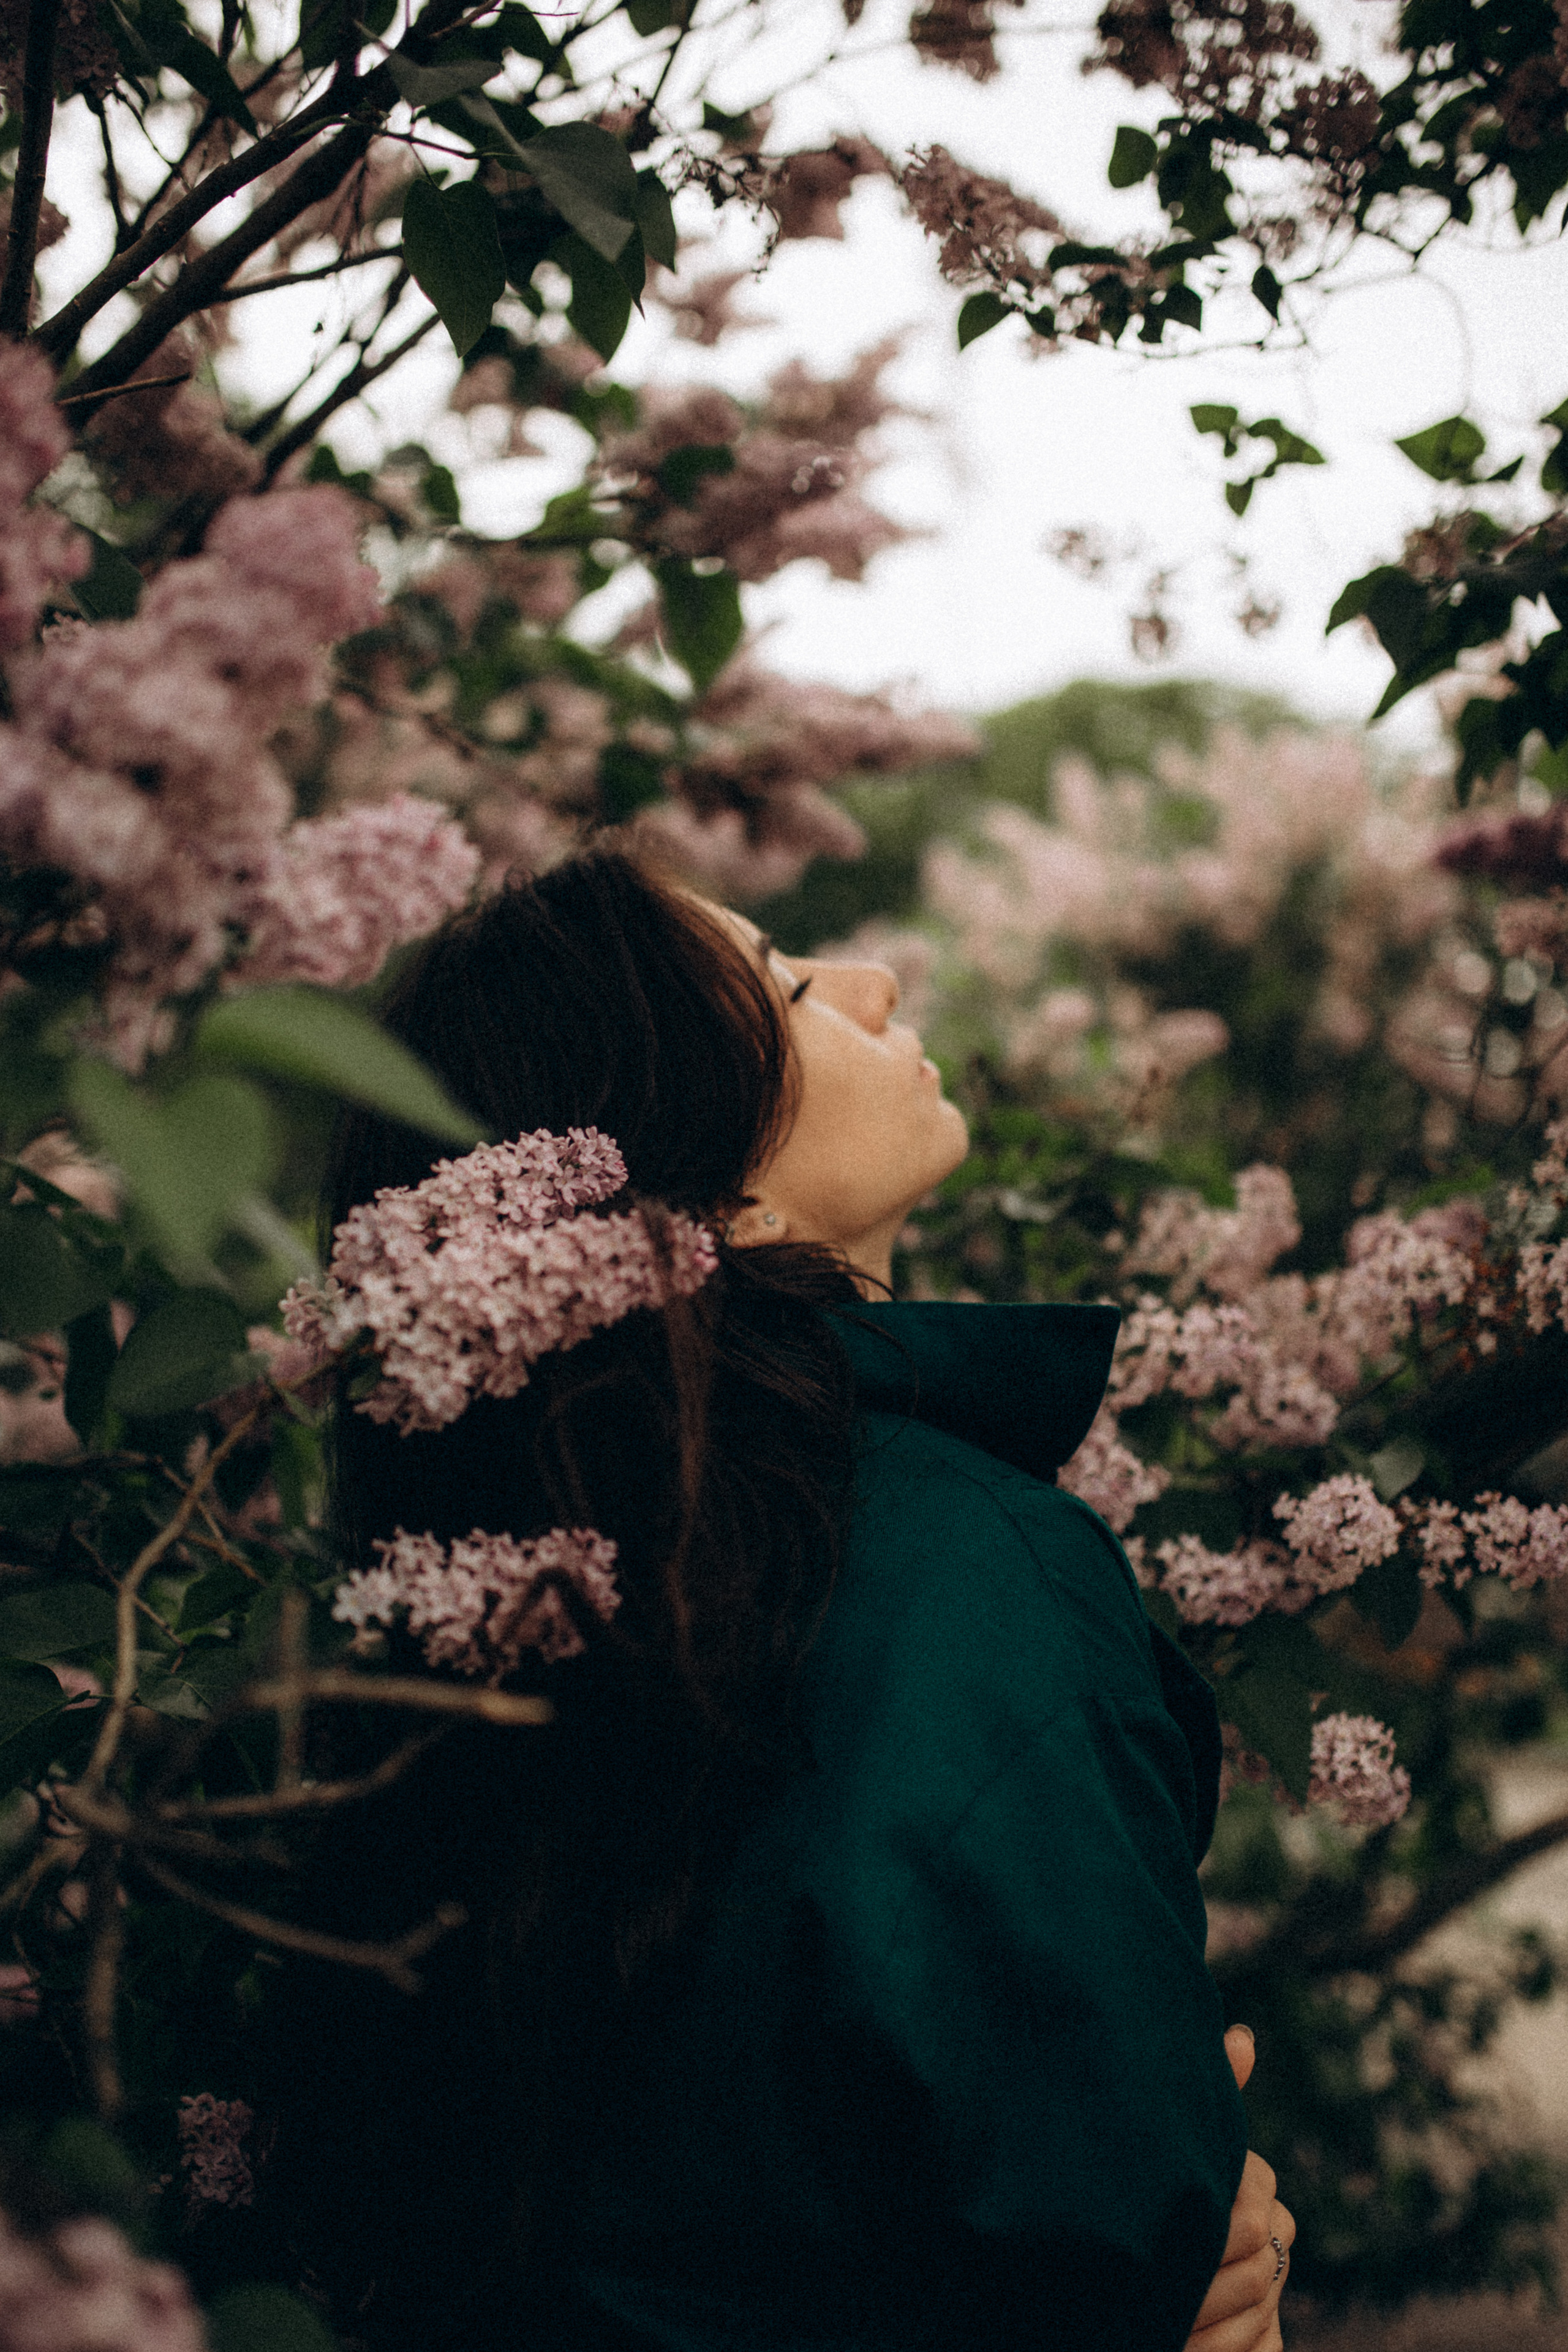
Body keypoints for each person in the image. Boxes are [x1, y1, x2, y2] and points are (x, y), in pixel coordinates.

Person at [262, 845, 1294, 2352]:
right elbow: (1094, 2222)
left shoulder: (452, 1645)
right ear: (713, 1202)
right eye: (796, 989)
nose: (876, 985)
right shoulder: (962, 1574)